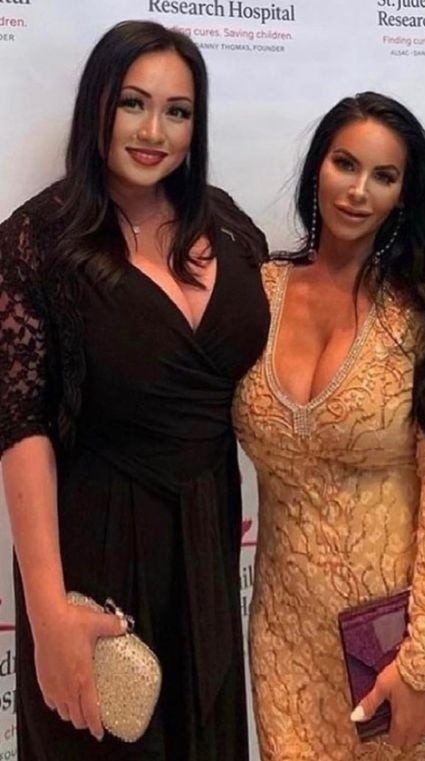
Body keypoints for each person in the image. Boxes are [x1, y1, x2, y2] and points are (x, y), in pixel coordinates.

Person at [0, 20, 269, 760]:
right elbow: (20, 428)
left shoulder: (228, 224)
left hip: (207, 536)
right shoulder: (38, 240)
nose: (154, 132)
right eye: (133, 104)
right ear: (98, 106)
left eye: (177, 111)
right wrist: (48, 612)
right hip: (98, 544)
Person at [232, 91, 425, 760]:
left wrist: (424, 663)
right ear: (316, 168)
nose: (358, 191)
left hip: (403, 635)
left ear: (404, 193)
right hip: (288, 637)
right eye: (345, 164)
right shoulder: (256, 291)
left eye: (383, 176)